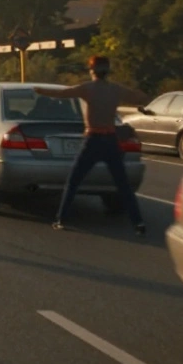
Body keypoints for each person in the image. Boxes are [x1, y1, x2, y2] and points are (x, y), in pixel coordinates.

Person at [34, 55, 149, 236]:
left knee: (74, 181)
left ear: (92, 71)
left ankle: (60, 219)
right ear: (107, 71)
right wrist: (144, 95)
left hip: (93, 139)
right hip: (111, 141)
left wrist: (40, 91)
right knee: (123, 185)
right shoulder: (115, 90)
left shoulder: (87, 89)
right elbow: (139, 97)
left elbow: (63, 94)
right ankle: (138, 223)